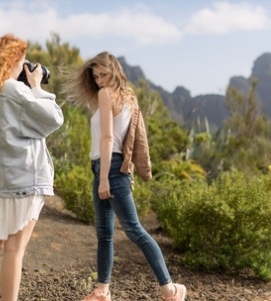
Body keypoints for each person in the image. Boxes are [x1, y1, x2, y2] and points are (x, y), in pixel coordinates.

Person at [61, 51, 186, 301]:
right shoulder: (128, 97)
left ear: (115, 71)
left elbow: (109, 138)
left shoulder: (107, 94)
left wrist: (105, 177)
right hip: (106, 167)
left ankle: (171, 290)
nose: (99, 80)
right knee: (105, 233)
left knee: (134, 229)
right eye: (95, 76)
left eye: (103, 74)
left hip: (110, 168)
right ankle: (102, 291)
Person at [0, 34, 64, 301]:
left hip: (1, 182)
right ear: (13, 60)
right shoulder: (14, 90)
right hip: (25, 180)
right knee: (15, 250)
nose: (25, 65)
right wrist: (37, 86)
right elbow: (53, 119)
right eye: (23, 60)